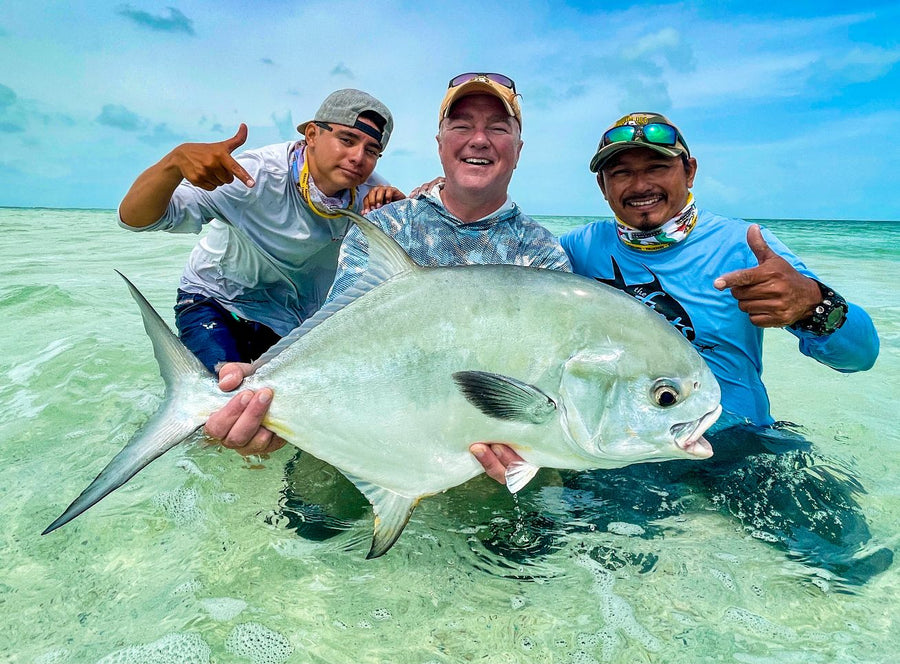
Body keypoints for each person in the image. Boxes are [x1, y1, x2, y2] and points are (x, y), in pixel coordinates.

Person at [480, 112, 890, 585]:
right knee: (527, 564)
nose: (640, 185)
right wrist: (421, 200)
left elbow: (863, 357)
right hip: (628, 446)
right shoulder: (576, 250)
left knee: (846, 560)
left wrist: (814, 306)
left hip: (736, 438)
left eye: (656, 167)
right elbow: (495, 281)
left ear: (689, 171)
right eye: (621, 172)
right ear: (603, 186)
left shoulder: (743, 245)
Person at [205, 72, 571, 457]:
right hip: (366, 441)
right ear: (440, 143)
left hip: (484, 455)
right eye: (462, 125)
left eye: (498, 128)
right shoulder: (384, 227)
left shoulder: (543, 255)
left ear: (519, 147)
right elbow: (340, 335)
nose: (479, 139)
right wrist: (267, 380)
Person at [119, 89, 401, 373]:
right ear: (312, 135)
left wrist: (398, 217)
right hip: (216, 300)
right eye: (347, 140)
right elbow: (135, 219)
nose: (357, 157)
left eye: (371, 151)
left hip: (291, 319)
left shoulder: (372, 198)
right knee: (224, 399)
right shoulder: (255, 175)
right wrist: (174, 163)